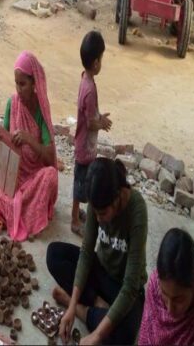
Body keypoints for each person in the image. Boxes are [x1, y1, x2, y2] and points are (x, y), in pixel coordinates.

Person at [46, 158, 147, 345]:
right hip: (100, 269)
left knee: (126, 336)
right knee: (54, 254)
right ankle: (92, 303)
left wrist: (96, 336)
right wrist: (73, 306)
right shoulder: (97, 199)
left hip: (123, 286)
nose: (99, 220)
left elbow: (131, 284)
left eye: (103, 213)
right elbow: (86, 253)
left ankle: (78, 308)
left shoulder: (137, 209)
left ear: (117, 197)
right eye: (96, 213)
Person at [0, 51, 58, 241]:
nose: (18, 89)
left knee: (50, 176)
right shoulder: (13, 103)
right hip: (15, 176)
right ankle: (17, 214)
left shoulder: (41, 110)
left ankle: (15, 215)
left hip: (34, 178)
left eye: (23, 84)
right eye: (16, 83)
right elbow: (7, 142)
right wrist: (0, 139)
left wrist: (29, 140)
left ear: (34, 84)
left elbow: (50, 158)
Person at [138, 228, 194, 344]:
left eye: (178, 299)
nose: (170, 308)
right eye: (164, 295)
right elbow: (144, 340)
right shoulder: (154, 286)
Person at [72, 31, 112, 236]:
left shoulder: (85, 80)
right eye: (102, 58)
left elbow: (89, 113)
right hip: (84, 145)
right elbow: (89, 123)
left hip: (83, 143)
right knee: (80, 184)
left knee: (81, 181)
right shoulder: (90, 89)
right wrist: (101, 122)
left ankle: (77, 213)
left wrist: (98, 116)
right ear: (96, 62)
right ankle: (74, 220)